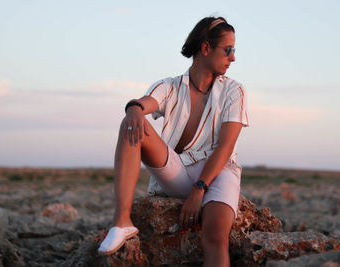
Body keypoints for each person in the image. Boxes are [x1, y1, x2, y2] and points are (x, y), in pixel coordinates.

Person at [98, 16, 249, 267]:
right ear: (205, 48)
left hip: (220, 172)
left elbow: (226, 147)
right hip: (179, 170)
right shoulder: (170, 86)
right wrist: (134, 108)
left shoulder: (235, 91)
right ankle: (122, 221)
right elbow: (148, 102)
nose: (233, 57)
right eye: (228, 50)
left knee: (214, 235)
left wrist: (198, 190)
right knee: (132, 123)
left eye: (234, 50)